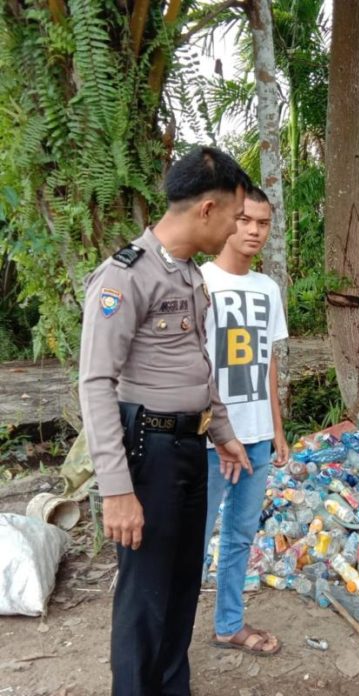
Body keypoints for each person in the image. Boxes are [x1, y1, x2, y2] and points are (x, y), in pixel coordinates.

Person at [79, 146, 254, 696]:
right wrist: (116, 491)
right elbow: (95, 383)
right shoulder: (124, 277)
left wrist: (222, 435)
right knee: (145, 597)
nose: (235, 228)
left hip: (188, 449)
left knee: (181, 586)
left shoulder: (187, 276)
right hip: (146, 454)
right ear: (207, 209)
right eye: (234, 215)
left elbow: (197, 369)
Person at [201, 185, 289, 655]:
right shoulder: (200, 282)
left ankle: (228, 624)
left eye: (264, 223)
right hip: (210, 439)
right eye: (246, 220)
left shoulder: (268, 289)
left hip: (255, 438)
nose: (254, 230)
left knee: (239, 536)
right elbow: (191, 366)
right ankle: (167, 636)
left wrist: (276, 428)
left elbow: (267, 362)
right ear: (228, 220)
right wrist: (216, 430)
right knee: (193, 539)